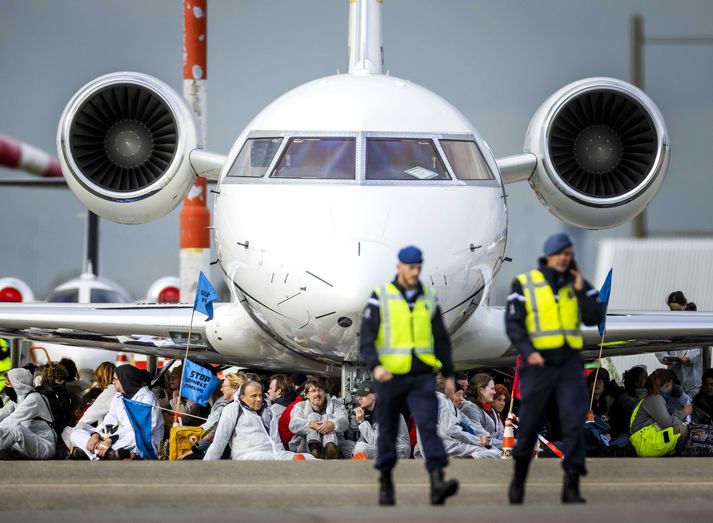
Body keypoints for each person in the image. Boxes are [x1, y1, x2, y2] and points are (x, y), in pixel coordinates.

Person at [505, 232, 602, 504]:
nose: (564, 258)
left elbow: (595, 315)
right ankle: (518, 481)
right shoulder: (525, 284)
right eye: (560, 254)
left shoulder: (577, 283)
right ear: (548, 256)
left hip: (569, 365)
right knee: (530, 428)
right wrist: (528, 352)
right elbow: (514, 325)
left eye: (568, 254)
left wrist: (582, 288)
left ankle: (571, 487)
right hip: (539, 366)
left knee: (574, 427)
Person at [360, 245, 458, 506]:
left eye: (418, 268)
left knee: (428, 426)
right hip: (389, 377)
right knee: (388, 430)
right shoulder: (381, 296)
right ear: (399, 267)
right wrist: (376, 366)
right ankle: (385, 483)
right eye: (410, 267)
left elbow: (440, 338)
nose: (415, 272)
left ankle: (438, 481)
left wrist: (448, 373)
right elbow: (367, 340)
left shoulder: (428, 297)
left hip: (421, 376)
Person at [70, 365, 163, 460]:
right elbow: (110, 421)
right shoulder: (118, 396)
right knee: (76, 433)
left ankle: (96, 454)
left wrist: (110, 440)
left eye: (115, 379)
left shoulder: (147, 398)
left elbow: (139, 429)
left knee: (134, 438)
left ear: (125, 380)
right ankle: (108, 454)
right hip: (115, 437)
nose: (113, 382)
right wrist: (96, 435)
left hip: (139, 437)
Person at [204, 380, 313, 461]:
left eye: (260, 395)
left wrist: (292, 457)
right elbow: (219, 442)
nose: (259, 399)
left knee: (308, 458)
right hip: (248, 457)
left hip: (274, 455)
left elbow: (277, 445)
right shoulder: (233, 409)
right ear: (242, 397)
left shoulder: (270, 413)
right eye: (254, 396)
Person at [180, 372, 244, 459]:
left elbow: (216, 434)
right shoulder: (236, 405)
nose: (221, 389)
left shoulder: (231, 407)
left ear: (235, 388)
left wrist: (194, 449)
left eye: (224, 386)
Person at [629, 369, 691, 457]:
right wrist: (684, 412)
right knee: (681, 429)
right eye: (671, 384)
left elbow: (667, 414)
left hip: (645, 439)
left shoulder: (651, 397)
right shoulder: (655, 399)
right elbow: (668, 424)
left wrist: (680, 413)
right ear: (668, 384)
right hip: (646, 442)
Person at [0, 368, 56, 460]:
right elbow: (3, 413)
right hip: (27, 443)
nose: (5, 386)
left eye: (7, 383)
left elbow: (11, 420)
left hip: (44, 446)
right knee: (10, 430)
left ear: (17, 385)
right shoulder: (18, 399)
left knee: (16, 429)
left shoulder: (34, 399)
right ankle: (9, 452)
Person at [655, 292, 703, 397]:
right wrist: (664, 358)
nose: (675, 313)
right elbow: (659, 346)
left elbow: (699, 345)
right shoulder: (667, 324)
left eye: (678, 310)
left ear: (685, 305)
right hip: (676, 379)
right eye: (672, 311)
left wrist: (688, 358)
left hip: (694, 383)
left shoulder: (696, 321)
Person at [288, 378, 349, 459]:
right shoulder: (300, 406)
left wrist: (333, 424)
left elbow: (344, 421)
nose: (317, 393)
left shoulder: (336, 404)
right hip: (306, 447)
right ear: (307, 395)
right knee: (313, 417)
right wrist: (310, 424)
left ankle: (330, 447)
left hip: (335, 446)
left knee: (327, 417)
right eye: (313, 391)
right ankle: (313, 448)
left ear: (325, 392)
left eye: (320, 390)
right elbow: (293, 424)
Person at [351, 380, 410, 460]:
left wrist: (361, 422)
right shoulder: (369, 413)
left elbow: (377, 442)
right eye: (359, 395)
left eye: (363, 395)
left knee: (361, 448)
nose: (359, 398)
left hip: (398, 450)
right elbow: (364, 439)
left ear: (375, 396)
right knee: (352, 446)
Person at [63, 361, 116, 450]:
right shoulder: (115, 390)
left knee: (69, 431)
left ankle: (88, 449)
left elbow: (92, 414)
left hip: (107, 431)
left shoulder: (110, 392)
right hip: (111, 429)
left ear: (102, 377)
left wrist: (78, 425)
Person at [461, 373, 505, 457]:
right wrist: (511, 445)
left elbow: (500, 434)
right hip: (481, 452)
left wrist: (512, 443)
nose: (494, 392)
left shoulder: (491, 408)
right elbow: (483, 437)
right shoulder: (469, 408)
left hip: (495, 449)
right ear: (481, 390)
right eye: (492, 389)